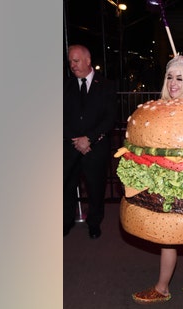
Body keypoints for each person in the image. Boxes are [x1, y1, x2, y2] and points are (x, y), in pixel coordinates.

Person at [132, 55, 183, 304]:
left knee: (170, 236)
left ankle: (162, 287)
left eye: (179, 78)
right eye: (169, 77)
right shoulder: (156, 110)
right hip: (164, 180)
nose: (173, 83)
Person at [64, 44, 117, 239]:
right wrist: (76, 140)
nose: (72, 65)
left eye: (76, 61)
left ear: (87, 61)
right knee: (67, 187)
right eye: (70, 61)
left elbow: (109, 118)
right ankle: (66, 221)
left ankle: (94, 223)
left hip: (95, 149)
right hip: (70, 147)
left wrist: (89, 139)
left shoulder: (106, 86)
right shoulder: (65, 86)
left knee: (96, 189)